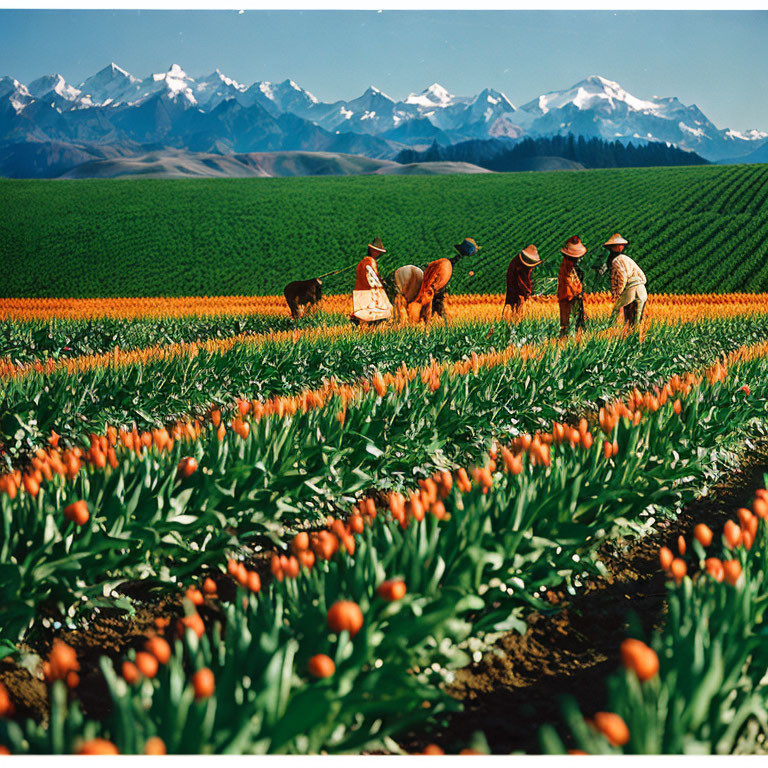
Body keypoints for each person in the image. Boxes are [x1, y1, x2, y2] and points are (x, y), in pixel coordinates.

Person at [603, 233, 647, 328]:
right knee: (637, 320)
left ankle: (609, 329)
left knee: (617, 310)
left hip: (632, 289)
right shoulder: (625, 258)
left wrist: (618, 293)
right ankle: (635, 338)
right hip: (642, 290)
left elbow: (622, 277)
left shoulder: (617, 260)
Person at [432, 237, 480, 320]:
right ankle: (444, 320)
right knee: (437, 303)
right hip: (440, 287)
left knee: (436, 303)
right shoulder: (460, 261)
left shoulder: (453, 258)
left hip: (438, 285)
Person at [351, 237, 393, 325]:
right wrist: (381, 285)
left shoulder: (362, 262)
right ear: (371, 250)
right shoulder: (371, 262)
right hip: (368, 292)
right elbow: (374, 278)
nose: (377, 254)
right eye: (376, 251)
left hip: (359, 291)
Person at [407, 257, 454, 325]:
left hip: (431, 288)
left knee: (430, 306)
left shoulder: (429, 291)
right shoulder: (444, 268)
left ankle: (428, 321)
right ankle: (433, 321)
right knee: (434, 306)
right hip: (434, 288)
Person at [557, 235, 587, 338]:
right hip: (568, 298)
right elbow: (567, 284)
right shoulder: (567, 266)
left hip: (572, 297)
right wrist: (577, 292)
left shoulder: (571, 265)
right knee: (568, 322)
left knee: (575, 320)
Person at [503, 245, 542, 317]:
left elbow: (527, 280)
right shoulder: (518, 267)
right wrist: (526, 292)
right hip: (516, 290)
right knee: (516, 305)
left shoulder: (522, 266)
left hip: (519, 290)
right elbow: (520, 282)